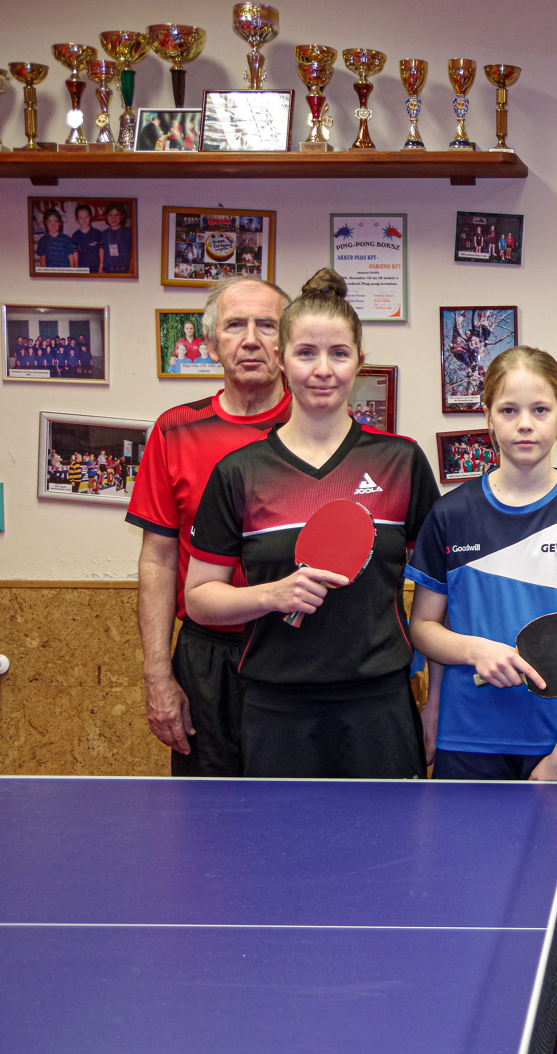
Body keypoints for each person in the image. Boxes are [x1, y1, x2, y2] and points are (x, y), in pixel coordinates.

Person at [185, 269, 439, 778]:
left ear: (359, 362)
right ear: (281, 359)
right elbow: (199, 598)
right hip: (276, 709)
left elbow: (440, 589)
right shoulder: (239, 472)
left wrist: (436, 703)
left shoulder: (401, 460)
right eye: (305, 353)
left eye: (339, 354)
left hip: (379, 706)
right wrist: (271, 595)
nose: (323, 370)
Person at [407, 346, 557, 781]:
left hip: (556, 739)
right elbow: (423, 628)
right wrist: (476, 651)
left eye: (540, 409)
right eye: (508, 410)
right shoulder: (450, 513)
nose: (525, 423)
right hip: (467, 736)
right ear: (488, 416)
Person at [126, 274, 293, 775]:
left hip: (296, 648)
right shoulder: (175, 429)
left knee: (301, 807)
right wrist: (158, 674)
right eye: (234, 324)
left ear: (288, 341)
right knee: (209, 810)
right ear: (211, 343)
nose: (251, 339)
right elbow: (158, 558)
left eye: (267, 325)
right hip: (207, 654)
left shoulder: (320, 430)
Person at [99, 204, 133, 275]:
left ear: (122, 216)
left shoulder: (129, 233)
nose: (113, 218)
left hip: (125, 273)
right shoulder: (103, 234)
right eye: (110, 215)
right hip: (107, 273)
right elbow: (101, 253)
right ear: (106, 216)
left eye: (116, 215)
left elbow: (133, 255)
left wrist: (130, 272)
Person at [70, 204, 104, 275]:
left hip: (95, 269)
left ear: (90, 217)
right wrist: (77, 269)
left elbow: (101, 250)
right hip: (82, 270)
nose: (84, 220)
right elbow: (75, 254)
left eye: (86, 217)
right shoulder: (75, 235)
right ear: (77, 218)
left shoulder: (97, 233)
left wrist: (101, 266)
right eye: (81, 217)